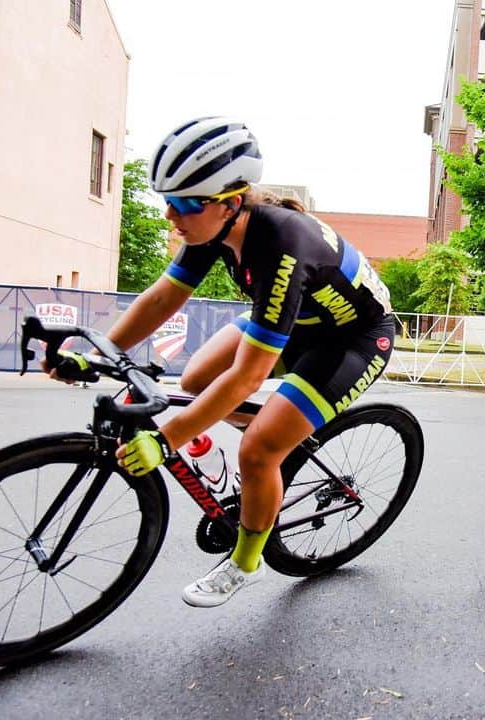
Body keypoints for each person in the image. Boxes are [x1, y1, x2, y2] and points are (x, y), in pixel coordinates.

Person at [49, 117, 395, 607]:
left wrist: (169, 438)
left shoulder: (282, 245)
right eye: (166, 199)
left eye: (184, 203)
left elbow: (249, 375)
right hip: (299, 322)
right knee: (195, 378)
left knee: (256, 450)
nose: (171, 213)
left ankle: (245, 559)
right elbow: (161, 298)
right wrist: (99, 353)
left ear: (230, 203)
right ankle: (272, 448)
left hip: (352, 340)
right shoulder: (210, 227)